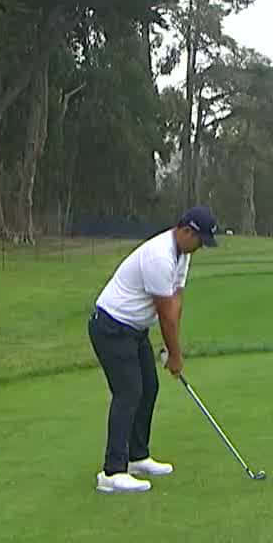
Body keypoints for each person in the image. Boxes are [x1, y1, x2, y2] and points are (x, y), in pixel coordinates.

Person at [87, 207, 219, 494]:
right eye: (200, 240)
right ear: (186, 231)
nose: (200, 247)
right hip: (111, 327)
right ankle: (112, 472)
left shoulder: (182, 254)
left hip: (134, 330)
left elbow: (176, 301)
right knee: (128, 392)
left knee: (149, 387)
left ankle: (137, 456)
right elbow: (164, 313)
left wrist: (173, 347)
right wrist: (175, 355)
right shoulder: (160, 256)